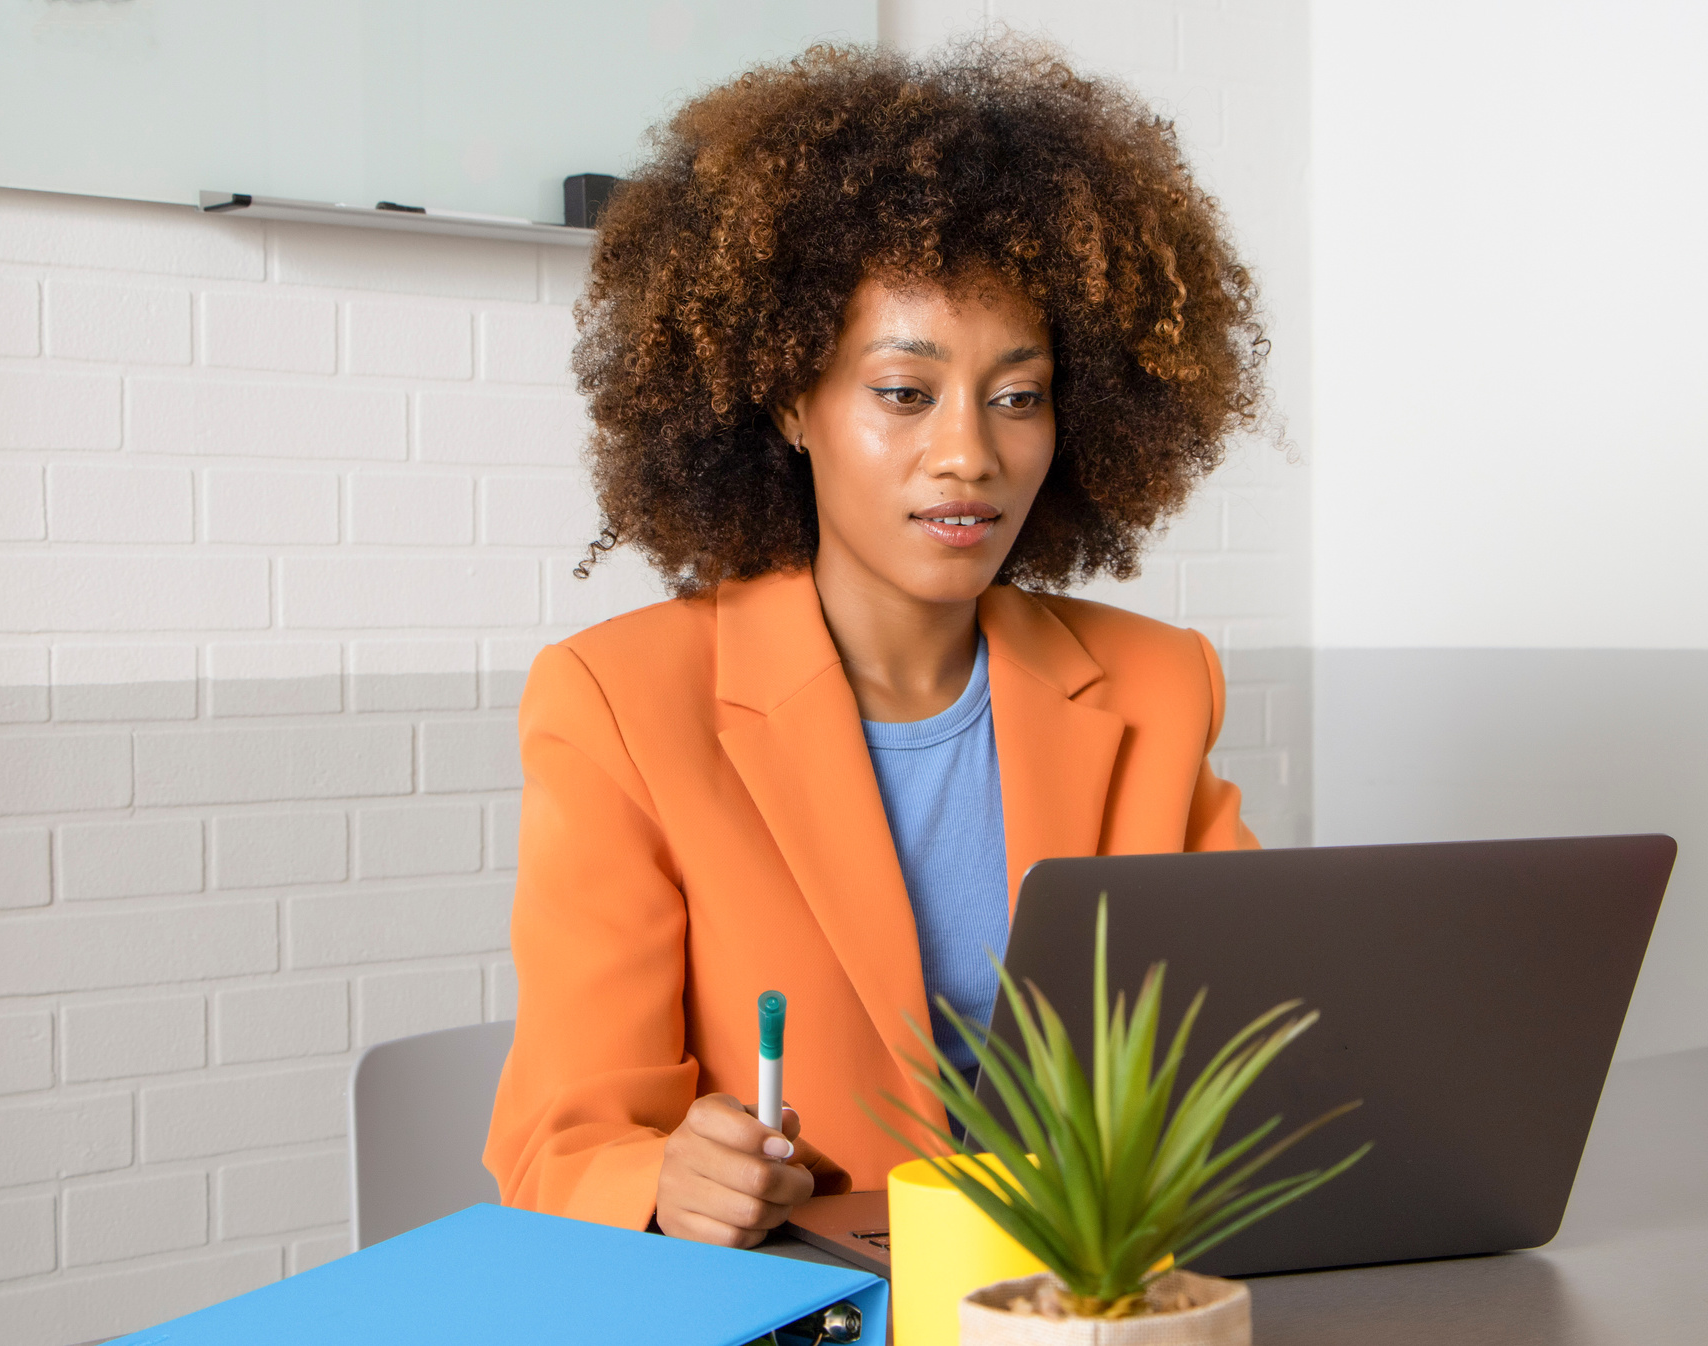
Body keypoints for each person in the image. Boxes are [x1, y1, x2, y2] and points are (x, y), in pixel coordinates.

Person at [482, 38, 1265, 1249]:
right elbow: (562, 1138)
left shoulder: (1158, 686)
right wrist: (664, 1178)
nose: (971, 454)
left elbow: (1253, 1044)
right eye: (905, 392)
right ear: (789, 399)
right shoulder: (621, 704)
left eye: (1019, 395)